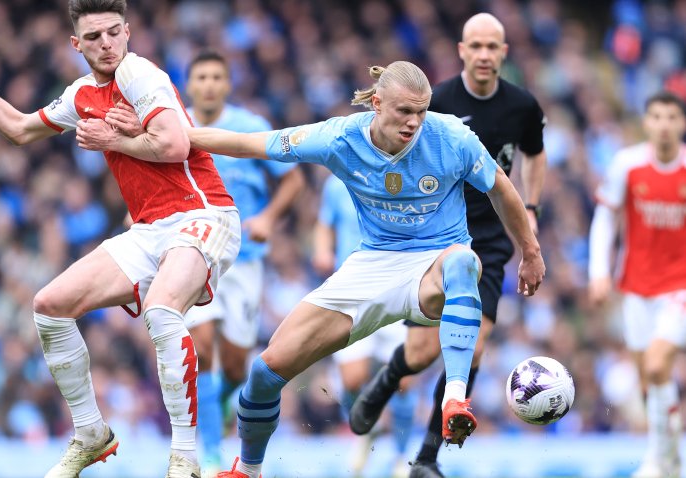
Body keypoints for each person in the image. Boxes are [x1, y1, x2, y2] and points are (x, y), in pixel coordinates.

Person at [110, 60, 545, 478]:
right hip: (370, 265)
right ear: (377, 103)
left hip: (434, 261)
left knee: (465, 262)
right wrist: (163, 133)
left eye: (421, 111)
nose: (414, 122)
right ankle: (249, 469)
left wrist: (530, 250)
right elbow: (249, 144)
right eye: (404, 111)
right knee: (265, 373)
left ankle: (454, 400)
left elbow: (502, 190)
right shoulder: (339, 138)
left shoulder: (451, 138)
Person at [0, 1, 241, 477]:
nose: (106, 44)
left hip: (203, 214)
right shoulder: (80, 96)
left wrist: (110, 141)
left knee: (161, 309)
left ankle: (184, 459)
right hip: (148, 229)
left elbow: (177, 145)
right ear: (76, 44)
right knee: (49, 304)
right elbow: (18, 129)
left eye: (113, 32)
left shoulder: (141, 75)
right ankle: (92, 432)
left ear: (128, 32)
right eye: (93, 37)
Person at [347, 13, 548, 478]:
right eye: (474, 46)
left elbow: (535, 153)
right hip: (440, 237)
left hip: (492, 243)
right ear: (461, 50)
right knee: (419, 355)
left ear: (503, 53)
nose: (483, 55)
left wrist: (531, 209)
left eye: (491, 47)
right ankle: (388, 380)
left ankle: (428, 457)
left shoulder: (522, 106)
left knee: (473, 350)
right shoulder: (436, 103)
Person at [179, 51, 305, 476]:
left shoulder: (250, 127)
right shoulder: (175, 124)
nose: (210, 84)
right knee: (202, 352)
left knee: (235, 363)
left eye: (218, 76)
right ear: (190, 84)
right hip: (196, 254)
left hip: (245, 260)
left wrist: (269, 217)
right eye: (202, 77)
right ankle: (211, 454)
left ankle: (220, 408)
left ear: (227, 84)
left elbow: (293, 178)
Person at [589, 91, 686, 478]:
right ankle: (670, 452)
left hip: (679, 286)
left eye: (671, 117)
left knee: (660, 362)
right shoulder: (627, 164)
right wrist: (599, 271)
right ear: (646, 123)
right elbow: (605, 218)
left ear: (681, 124)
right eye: (656, 117)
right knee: (647, 381)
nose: (664, 125)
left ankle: (656, 459)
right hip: (636, 287)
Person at [314, 175, 416, 478]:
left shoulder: (401, 177)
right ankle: (365, 429)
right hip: (353, 290)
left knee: (403, 381)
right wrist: (322, 251)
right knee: (352, 379)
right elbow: (325, 222)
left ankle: (400, 457)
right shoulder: (336, 181)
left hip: (395, 287)